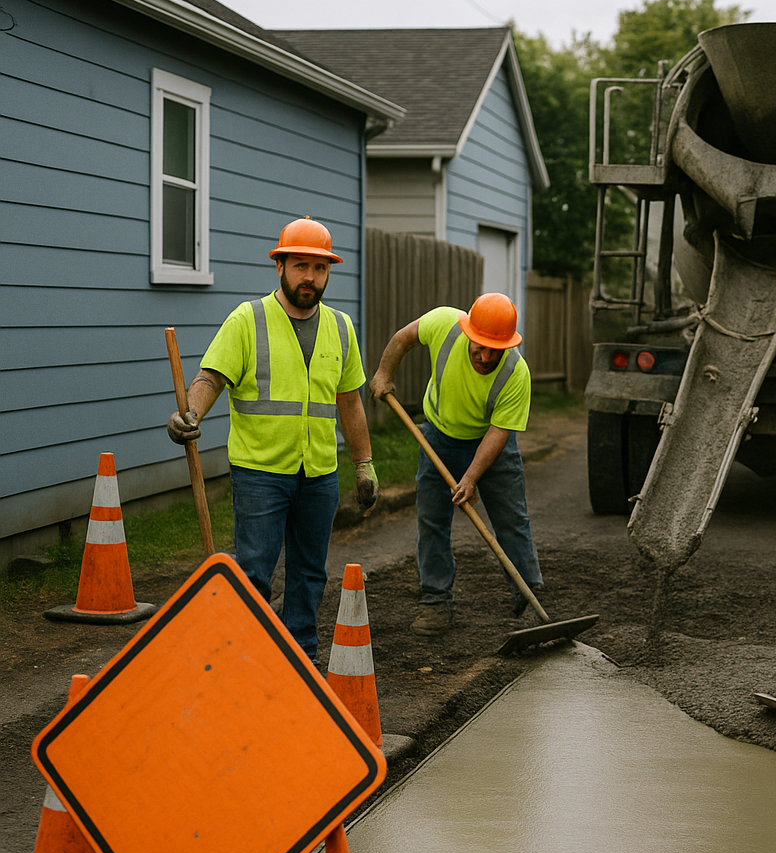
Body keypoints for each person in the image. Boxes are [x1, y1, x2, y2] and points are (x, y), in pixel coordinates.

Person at [167, 217, 376, 661]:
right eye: (301, 266)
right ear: (279, 265)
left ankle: (300, 654)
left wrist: (363, 464)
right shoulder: (248, 320)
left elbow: (351, 402)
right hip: (260, 472)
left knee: (309, 573)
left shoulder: (341, 327)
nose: (310, 278)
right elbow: (210, 378)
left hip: (318, 472)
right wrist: (189, 413)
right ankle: (248, 656)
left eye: (319, 269)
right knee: (255, 572)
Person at [369, 292, 541, 637]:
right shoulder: (444, 324)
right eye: (480, 345)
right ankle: (435, 601)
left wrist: (472, 477)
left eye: (496, 348)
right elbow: (403, 338)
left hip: (491, 443)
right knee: (432, 519)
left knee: (511, 519)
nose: (487, 355)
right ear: (469, 332)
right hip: (438, 436)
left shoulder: (516, 373)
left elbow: (499, 432)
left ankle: (528, 594)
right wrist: (384, 374)